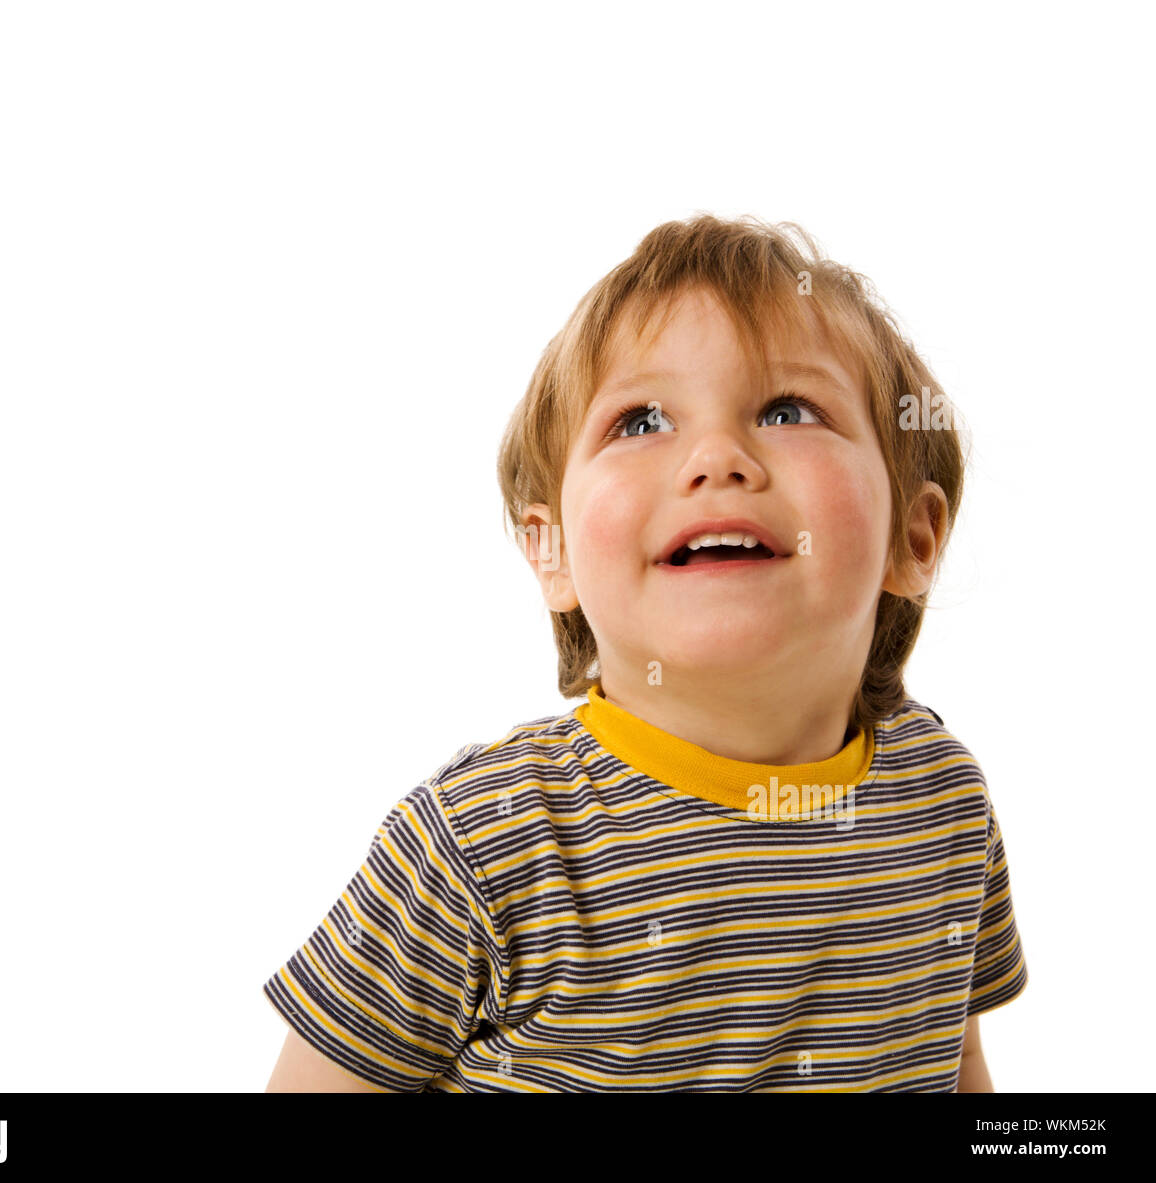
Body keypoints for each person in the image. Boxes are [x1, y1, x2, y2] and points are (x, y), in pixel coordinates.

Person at [263, 213, 1027, 1092]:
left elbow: (956, 1061)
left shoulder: (941, 799)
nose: (717, 457)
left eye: (787, 410)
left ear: (916, 538)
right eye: (641, 420)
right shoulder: (482, 845)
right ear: (552, 555)